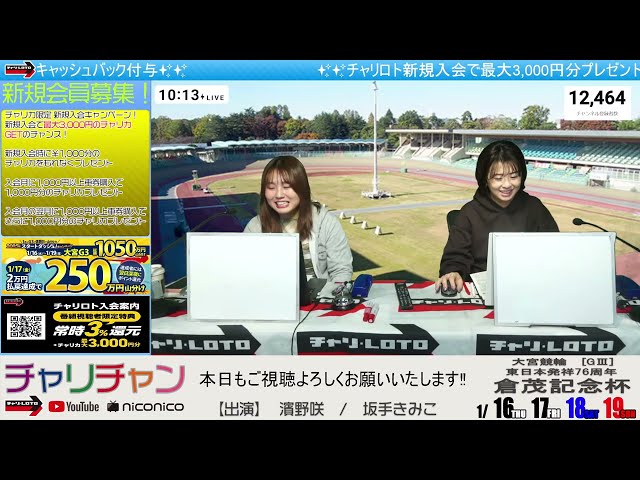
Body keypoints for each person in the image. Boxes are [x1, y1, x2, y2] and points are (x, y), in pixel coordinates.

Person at [436, 140, 559, 293]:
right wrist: (453, 272)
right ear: (485, 180)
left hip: (528, 288)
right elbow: (455, 257)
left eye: (514, 176)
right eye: (498, 178)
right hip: (481, 291)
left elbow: (554, 251)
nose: (507, 185)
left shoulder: (535, 208)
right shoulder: (469, 213)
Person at [243, 155, 353, 297]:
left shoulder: (326, 222)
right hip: (272, 300)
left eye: (287, 187)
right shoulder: (254, 228)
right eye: (271, 187)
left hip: (320, 301)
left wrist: (331, 298)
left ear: (302, 188)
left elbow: (341, 271)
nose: (279, 195)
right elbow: (245, 275)